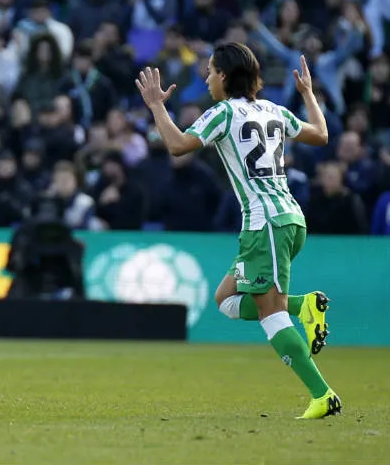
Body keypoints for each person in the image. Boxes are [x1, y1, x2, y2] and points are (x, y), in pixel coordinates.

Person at [135, 44, 340, 419]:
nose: (207, 77)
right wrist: (308, 94)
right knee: (226, 300)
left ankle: (322, 395)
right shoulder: (274, 110)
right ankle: (304, 305)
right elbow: (321, 135)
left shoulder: (223, 113)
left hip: (267, 224)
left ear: (225, 76)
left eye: (211, 71)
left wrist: (155, 106)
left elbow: (178, 145)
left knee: (270, 315)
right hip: (287, 220)